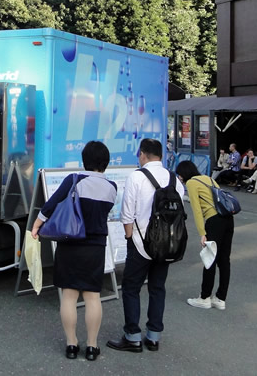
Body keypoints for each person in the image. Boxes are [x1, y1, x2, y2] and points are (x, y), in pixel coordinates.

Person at [31, 141, 117, 361]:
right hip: (95, 247)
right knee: (92, 297)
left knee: (69, 297)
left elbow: (51, 205)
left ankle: (71, 345)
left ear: (84, 160)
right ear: (106, 163)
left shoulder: (74, 180)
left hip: (70, 244)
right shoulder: (112, 187)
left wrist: (37, 225)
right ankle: (91, 346)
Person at [107, 138, 185, 354]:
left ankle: (132, 336)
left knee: (131, 288)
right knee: (157, 288)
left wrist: (130, 239)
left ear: (143, 154)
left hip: (141, 245)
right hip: (167, 245)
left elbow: (127, 214)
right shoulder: (174, 179)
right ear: (161, 155)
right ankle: (153, 336)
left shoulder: (137, 177)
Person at [176, 160, 234, 310]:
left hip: (214, 221)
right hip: (228, 219)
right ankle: (220, 298)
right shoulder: (209, 178)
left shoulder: (191, 183)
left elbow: (196, 210)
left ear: (183, 174)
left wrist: (202, 233)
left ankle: (204, 297)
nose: (180, 179)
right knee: (224, 260)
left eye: (180, 176)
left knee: (210, 259)